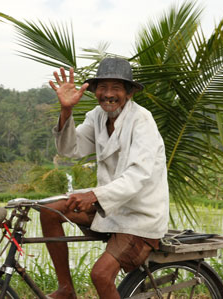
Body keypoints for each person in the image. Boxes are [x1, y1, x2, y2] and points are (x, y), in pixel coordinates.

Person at [41, 57, 169, 299]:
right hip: (109, 207)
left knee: (100, 275)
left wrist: (94, 195)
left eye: (116, 88)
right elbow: (71, 149)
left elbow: (138, 175)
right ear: (95, 91)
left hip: (139, 216)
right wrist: (66, 109)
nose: (108, 94)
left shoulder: (142, 121)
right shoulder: (97, 116)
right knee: (49, 211)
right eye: (103, 88)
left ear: (129, 93)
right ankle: (66, 289)